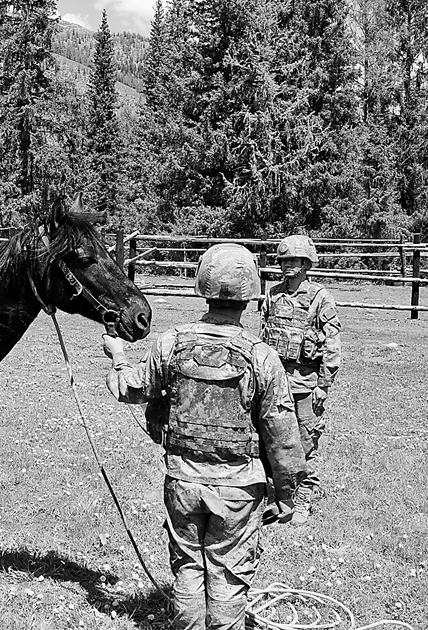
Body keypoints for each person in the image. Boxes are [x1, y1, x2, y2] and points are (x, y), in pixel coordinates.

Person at [102, 243, 306, 630]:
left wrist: (118, 355)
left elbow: (130, 388)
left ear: (202, 287)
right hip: (238, 490)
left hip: (182, 483)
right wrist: (286, 496)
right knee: (227, 576)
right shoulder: (261, 356)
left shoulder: (171, 342)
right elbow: (283, 439)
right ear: (250, 293)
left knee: (188, 569)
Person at [260, 234, 341, 525]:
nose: (286, 265)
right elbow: (263, 338)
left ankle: (303, 497)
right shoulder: (272, 295)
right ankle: (277, 494)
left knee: (306, 442)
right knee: (270, 439)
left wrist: (323, 385)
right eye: (283, 260)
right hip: (274, 384)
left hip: (305, 384)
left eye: (293, 260)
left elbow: (332, 345)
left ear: (306, 264)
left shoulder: (320, 297)